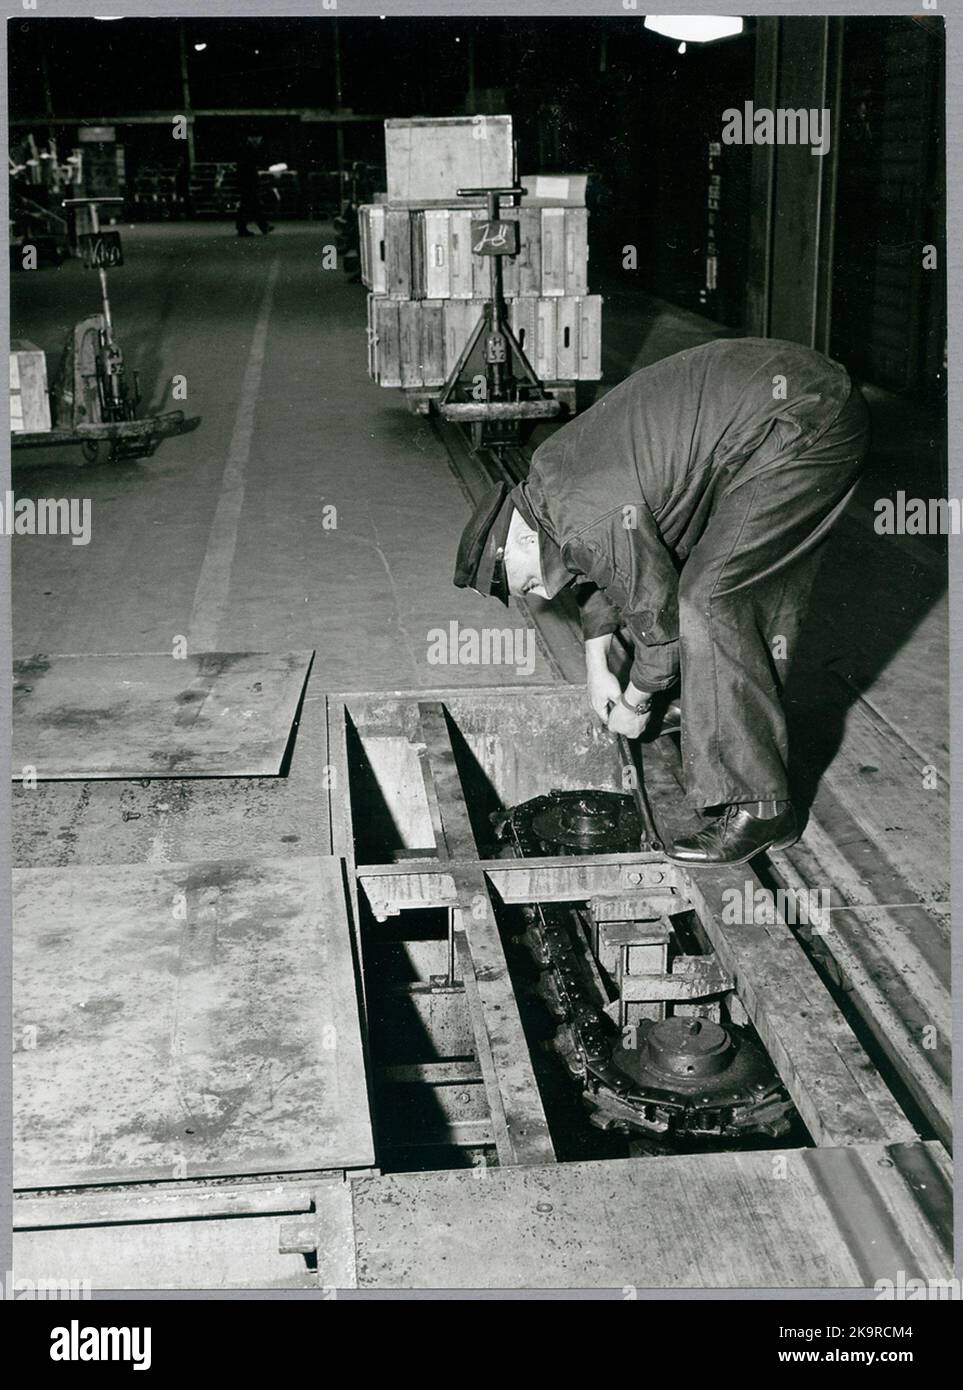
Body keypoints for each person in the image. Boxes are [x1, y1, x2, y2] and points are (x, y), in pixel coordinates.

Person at [453, 337, 870, 866]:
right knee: (732, 587)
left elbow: (661, 625)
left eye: (526, 584)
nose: (539, 594)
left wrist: (636, 702)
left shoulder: (585, 516)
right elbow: (606, 571)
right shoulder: (549, 483)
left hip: (804, 423)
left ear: (518, 540)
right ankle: (713, 711)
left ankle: (763, 809)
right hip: (783, 408)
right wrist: (597, 668)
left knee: (711, 597)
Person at [235, 134, 274, 237]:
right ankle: (261, 226)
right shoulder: (249, 150)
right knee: (252, 204)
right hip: (248, 181)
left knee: (249, 204)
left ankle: (247, 227)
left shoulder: (245, 149)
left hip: (246, 181)